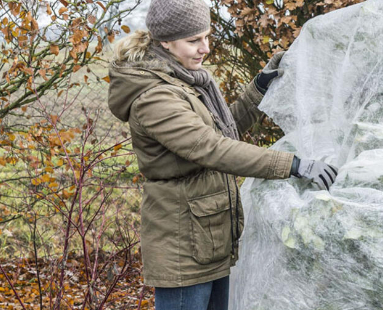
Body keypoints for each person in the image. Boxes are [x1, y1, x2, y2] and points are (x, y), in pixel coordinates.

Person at [107, 0, 338, 309]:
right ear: (165, 41)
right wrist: (293, 165)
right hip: (183, 247)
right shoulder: (155, 97)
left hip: (209, 238)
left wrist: (259, 88)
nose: (205, 48)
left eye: (207, 37)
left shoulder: (185, 80)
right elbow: (212, 148)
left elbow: (222, 132)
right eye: (194, 41)